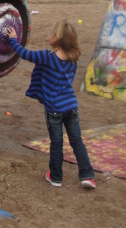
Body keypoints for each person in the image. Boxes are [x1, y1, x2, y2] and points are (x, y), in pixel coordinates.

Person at [6, 19, 96, 189]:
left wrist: (13, 39)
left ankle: (55, 177)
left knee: (56, 143)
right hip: (71, 106)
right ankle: (87, 176)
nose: (49, 35)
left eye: (51, 33)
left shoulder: (46, 57)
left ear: (56, 38)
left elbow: (24, 54)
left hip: (55, 109)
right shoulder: (73, 59)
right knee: (77, 141)